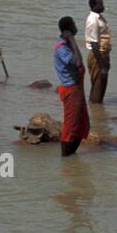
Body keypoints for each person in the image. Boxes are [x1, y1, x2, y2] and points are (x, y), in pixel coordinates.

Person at [53, 16, 90, 155]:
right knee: (70, 126)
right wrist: (73, 40)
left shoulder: (66, 44)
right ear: (68, 28)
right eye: (74, 24)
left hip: (77, 88)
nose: (76, 27)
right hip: (71, 89)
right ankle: (66, 159)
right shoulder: (62, 47)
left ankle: (71, 157)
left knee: (82, 124)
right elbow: (78, 62)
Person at [84, 0, 111, 104]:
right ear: (94, 6)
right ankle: (95, 110)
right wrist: (102, 66)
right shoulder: (93, 20)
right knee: (98, 84)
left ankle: (97, 107)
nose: (103, 6)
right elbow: (94, 43)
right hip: (97, 55)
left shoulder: (99, 18)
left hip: (102, 53)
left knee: (101, 83)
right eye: (100, 4)